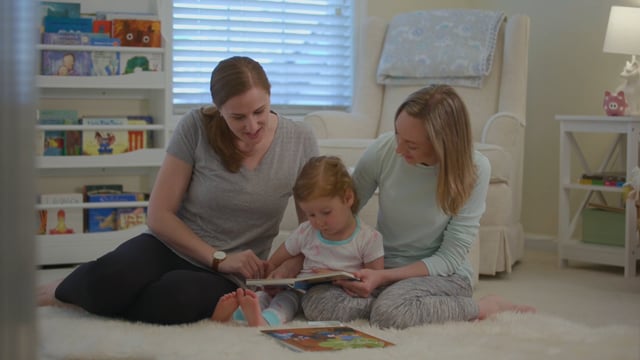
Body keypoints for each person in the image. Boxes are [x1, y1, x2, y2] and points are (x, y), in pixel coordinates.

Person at [36, 56, 319, 325]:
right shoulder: (195, 126)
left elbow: (312, 225)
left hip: (233, 274)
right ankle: (72, 289)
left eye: (259, 111)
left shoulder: (300, 139)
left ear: (270, 95)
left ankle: (94, 297)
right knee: (111, 278)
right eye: (238, 117)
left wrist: (289, 265)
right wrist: (219, 258)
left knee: (173, 300)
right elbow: (159, 215)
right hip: (169, 245)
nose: (252, 125)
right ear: (219, 110)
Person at [300, 85, 536, 329]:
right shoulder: (383, 150)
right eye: (397, 136)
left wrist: (383, 278)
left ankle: (485, 307)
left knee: (390, 314)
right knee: (315, 302)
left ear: (442, 145)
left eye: (411, 146)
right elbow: (345, 211)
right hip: (381, 267)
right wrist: (325, 264)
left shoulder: (475, 169)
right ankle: (403, 303)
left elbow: (450, 257)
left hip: (441, 274)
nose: (399, 149)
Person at [211, 155, 384, 326]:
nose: (318, 222)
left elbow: (375, 281)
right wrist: (271, 280)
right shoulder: (305, 232)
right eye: (311, 214)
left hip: (336, 296)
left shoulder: (368, 239)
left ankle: (265, 320)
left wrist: (346, 280)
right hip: (299, 289)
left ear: (348, 198)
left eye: (326, 212)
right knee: (267, 295)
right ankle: (235, 315)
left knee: (286, 302)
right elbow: (275, 261)